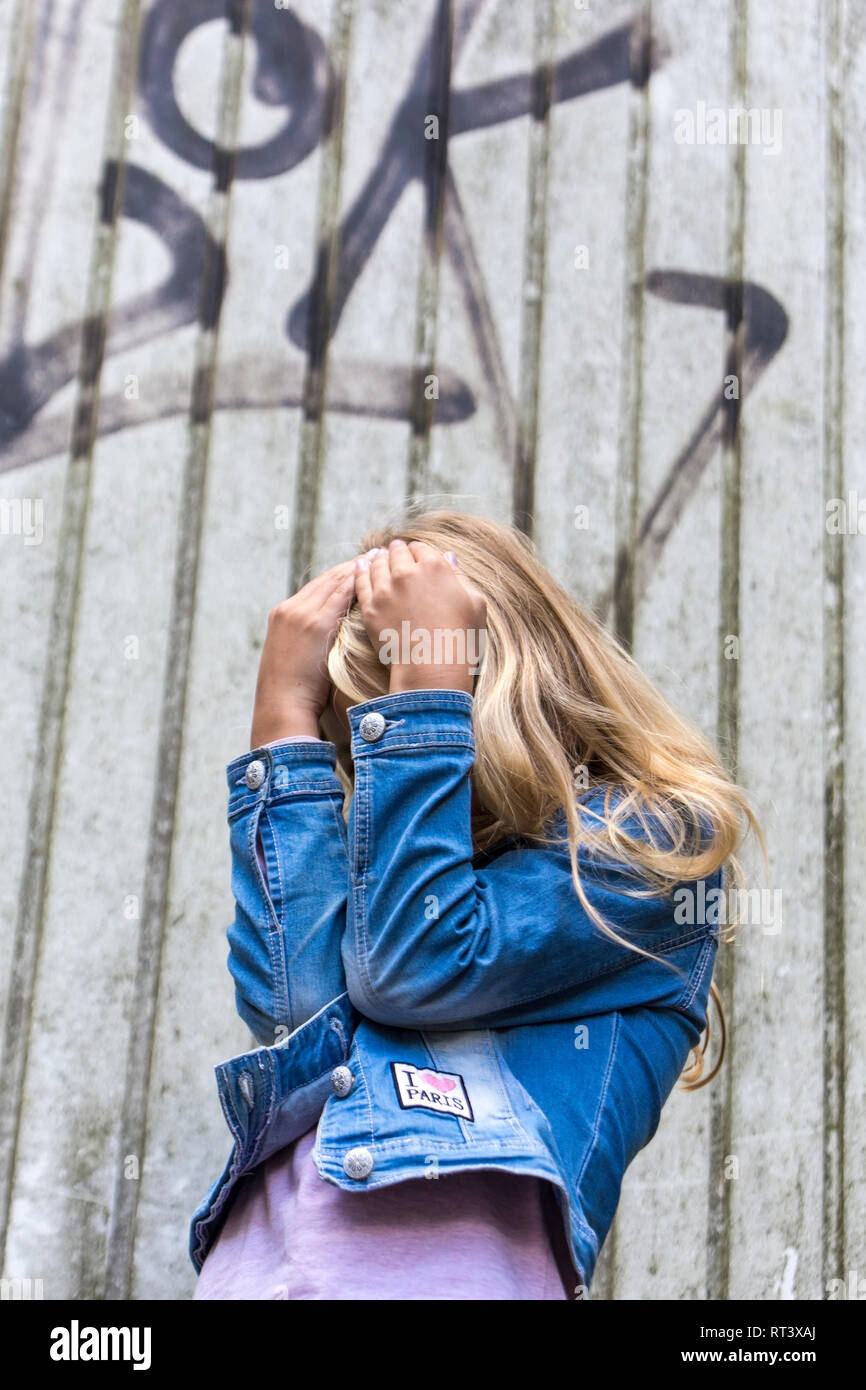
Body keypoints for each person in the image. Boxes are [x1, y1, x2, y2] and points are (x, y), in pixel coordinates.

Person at [189, 510, 760, 1300]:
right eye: (358, 745)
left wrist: (426, 675)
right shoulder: (394, 893)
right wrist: (284, 725)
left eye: (390, 728)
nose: (367, 765)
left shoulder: (661, 848)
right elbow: (299, 1017)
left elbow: (418, 967)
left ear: (494, 691)